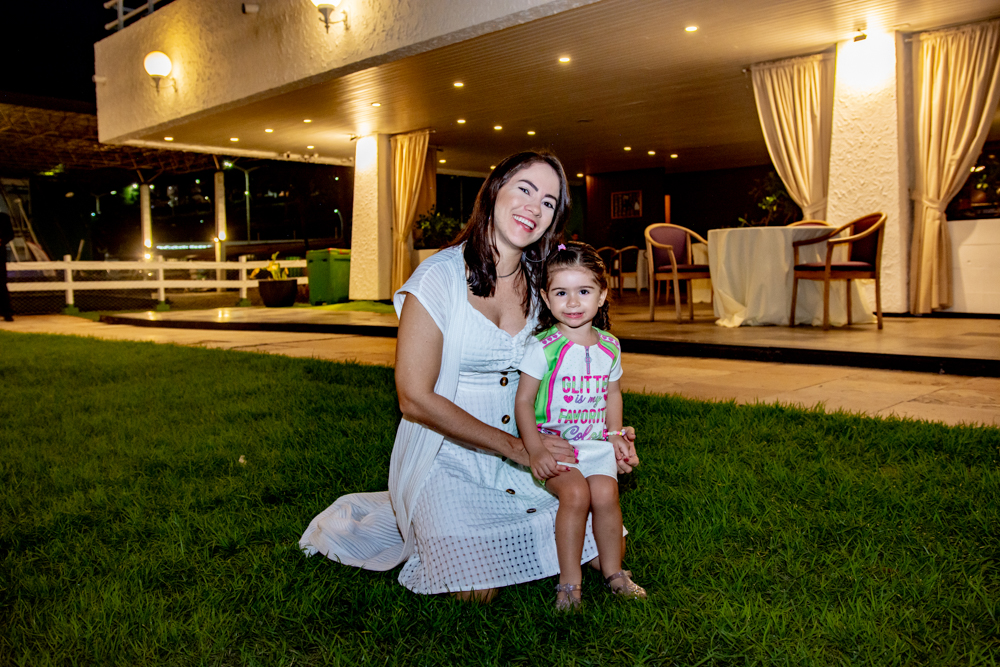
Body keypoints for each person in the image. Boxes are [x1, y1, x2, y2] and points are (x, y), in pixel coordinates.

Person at [299, 151, 639, 599]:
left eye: (550, 202)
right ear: (494, 190)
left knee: (602, 551)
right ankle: (424, 510)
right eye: (525, 189)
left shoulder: (545, 284)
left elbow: (576, 366)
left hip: (531, 441)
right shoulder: (438, 277)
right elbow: (414, 397)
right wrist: (516, 448)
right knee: (475, 588)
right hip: (448, 448)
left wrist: (606, 432)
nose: (534, 208)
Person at [515, 241, 646, 610]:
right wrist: (535, 448)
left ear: (602, 295)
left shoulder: (610, 346)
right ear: (545, 297)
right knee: (576, 495)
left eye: (583, 291)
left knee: (606, 495)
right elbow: (523, 401)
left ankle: (614, 573)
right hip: (555, 445)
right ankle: (570, 583)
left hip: (594, 443)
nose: (573, 303)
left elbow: (613, 394)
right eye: (561, 292)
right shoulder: (543, 347)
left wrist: (616, 435)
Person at [0, 212, 14, 322]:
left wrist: (1, 241)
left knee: (1, 283)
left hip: (0, 255)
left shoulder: (4, 217)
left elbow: (10, 234)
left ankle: (7, 312)